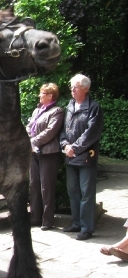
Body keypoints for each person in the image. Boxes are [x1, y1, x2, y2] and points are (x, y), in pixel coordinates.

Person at [59, 74, 104, 241]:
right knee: (73, 192)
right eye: (71, 86)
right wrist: (64, 145)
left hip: (86, 158)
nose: (72, 89)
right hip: (70, 157)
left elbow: (91, 133)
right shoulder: (70, 105)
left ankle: (87, 228)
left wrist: (75, 148)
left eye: (76, 86)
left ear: (86, 88)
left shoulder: (94, 108)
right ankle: (76, 223)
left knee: (87, 193)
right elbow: (63, 130)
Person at [26, 83, 64, 230]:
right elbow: (30, 126)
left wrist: (33, 141)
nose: (39, 95)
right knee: (34, 184)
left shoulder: (57, 111)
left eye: (42, 93)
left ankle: (47, 220)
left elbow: (50, 131)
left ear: (50, 96)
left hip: (48, 153)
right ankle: (35, 217)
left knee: (46, 187)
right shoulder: (37, 110)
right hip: (33, 152)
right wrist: (28, 138)